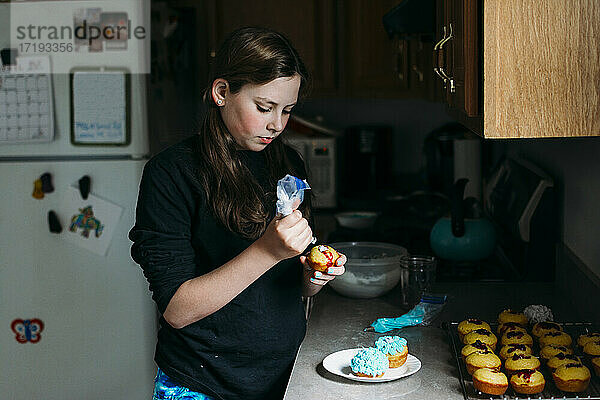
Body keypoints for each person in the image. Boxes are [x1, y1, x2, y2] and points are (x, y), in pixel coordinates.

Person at [128, 27, 346, 400]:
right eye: (264, 107)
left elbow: (296, 286)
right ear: (222, 92)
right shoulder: (172, 173)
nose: (277, 124)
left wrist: (315, 274)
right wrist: (267, 250)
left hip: (285, 373)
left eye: (287, 110)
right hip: (202, 382)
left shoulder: (288, 163)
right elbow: (177, 310)